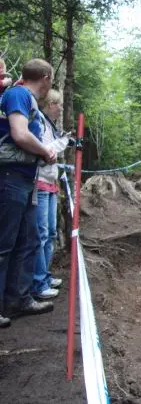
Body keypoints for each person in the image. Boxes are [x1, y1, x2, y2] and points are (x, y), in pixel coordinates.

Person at [0, 58, 56, 328]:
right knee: (5, 244)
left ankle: (18, 298)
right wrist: (45, 151)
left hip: (25, 177)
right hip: (10, 177)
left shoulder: (24, 97)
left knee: (27, 239)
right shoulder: (18, 94)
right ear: (45, 76)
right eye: (51, 78)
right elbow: (20, 134)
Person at [32, 89, 67, 300]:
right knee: (41, 234)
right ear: (50, 104)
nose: (61, 108)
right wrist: (63, 142)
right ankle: (38, 282)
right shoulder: (39, 123)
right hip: (40, 181)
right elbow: (44, 151)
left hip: (51, 182)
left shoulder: (49, 126)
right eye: (59, 104)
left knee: (51, 232)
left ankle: (44, 276)